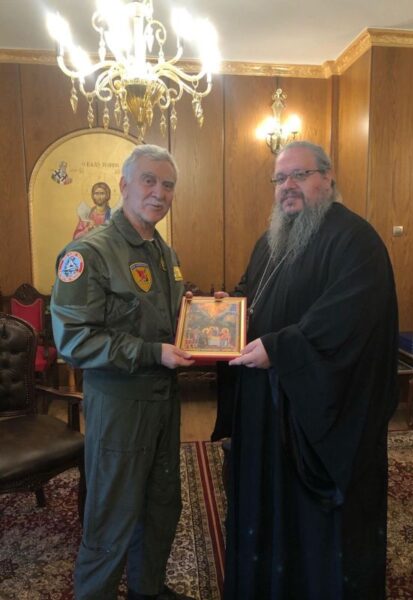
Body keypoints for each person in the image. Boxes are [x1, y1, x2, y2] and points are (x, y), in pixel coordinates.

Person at [221, 140, 399, 600]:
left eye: (299, 175)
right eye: (280, 178)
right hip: (266, 402)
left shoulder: (355, 240)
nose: (288, 186)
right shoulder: (270, 241)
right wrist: (224, 312)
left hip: (316, 414)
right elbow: (251, 293)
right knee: (265, 502)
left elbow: (347, 319)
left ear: (328, 178)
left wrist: (279, 349)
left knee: (310, 523)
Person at [51, 144, 195, 600]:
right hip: (119, 406)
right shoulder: (88, 253)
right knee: (111, 517)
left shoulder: (164, 252)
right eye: (149, 181)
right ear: (124, 185)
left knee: (161, 504)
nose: (159, 193)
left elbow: (165, 318)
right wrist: (152, 352)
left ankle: (147, 590)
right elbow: (74, 340)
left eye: (168, 185)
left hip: (164, 400)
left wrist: (205, 321)